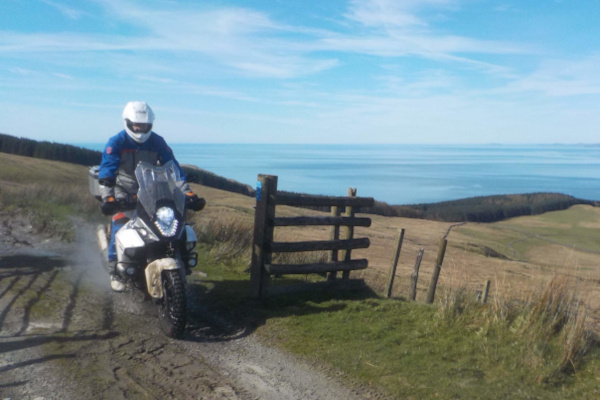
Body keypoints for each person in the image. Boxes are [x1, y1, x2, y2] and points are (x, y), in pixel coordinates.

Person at [98, 101, 205, 292]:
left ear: (150, 124)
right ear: (128, 123)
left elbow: (174, 168)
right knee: (120, 225)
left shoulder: (157, 141)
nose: (140, 129)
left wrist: (187, 192)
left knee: (169, 222)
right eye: (137, 125)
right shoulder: (116, 142)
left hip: (151, 189)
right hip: (125, 191)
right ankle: (115, 269)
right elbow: (107, 172)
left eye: (145, 125)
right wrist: (109, 198)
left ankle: (182, 259)